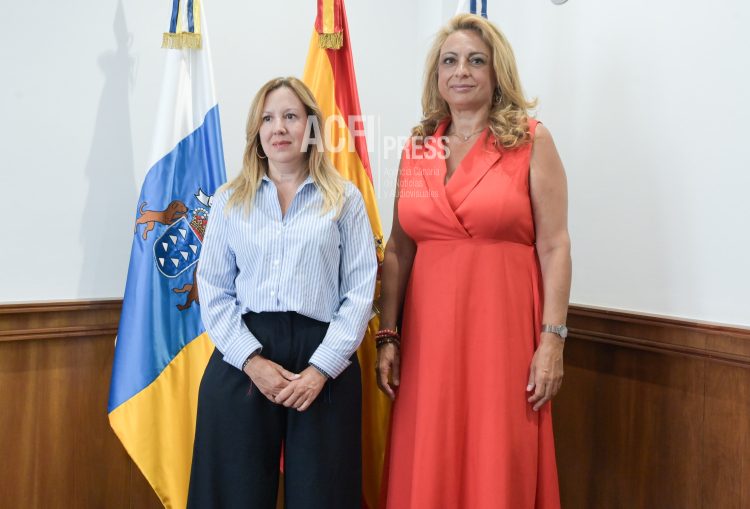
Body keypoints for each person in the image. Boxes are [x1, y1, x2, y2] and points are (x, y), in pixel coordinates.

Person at [376, 14, 571, 509]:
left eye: (476, 61)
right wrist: (388, 333)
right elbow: (399, 248)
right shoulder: (416, 150)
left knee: (496, 455)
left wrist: (552, 340)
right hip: (428, 344)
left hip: (503, 339)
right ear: (437, 75)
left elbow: (555, 246)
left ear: (496, 72)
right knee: (430, 453)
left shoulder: (531, 141)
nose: (461, 71)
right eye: (450, 61)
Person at [189, 76, 377, 509]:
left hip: (324, 361)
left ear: (310, 127)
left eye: (291, 116)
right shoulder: (228, 201)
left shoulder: (344, 199)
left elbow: (359, 291)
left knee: (323, 494)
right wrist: (251, 362)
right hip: (244, 357)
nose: (279, 128)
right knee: (231, 493)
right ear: (256, 131)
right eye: (268, 118)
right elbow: (213, 289)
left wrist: (321, 369)